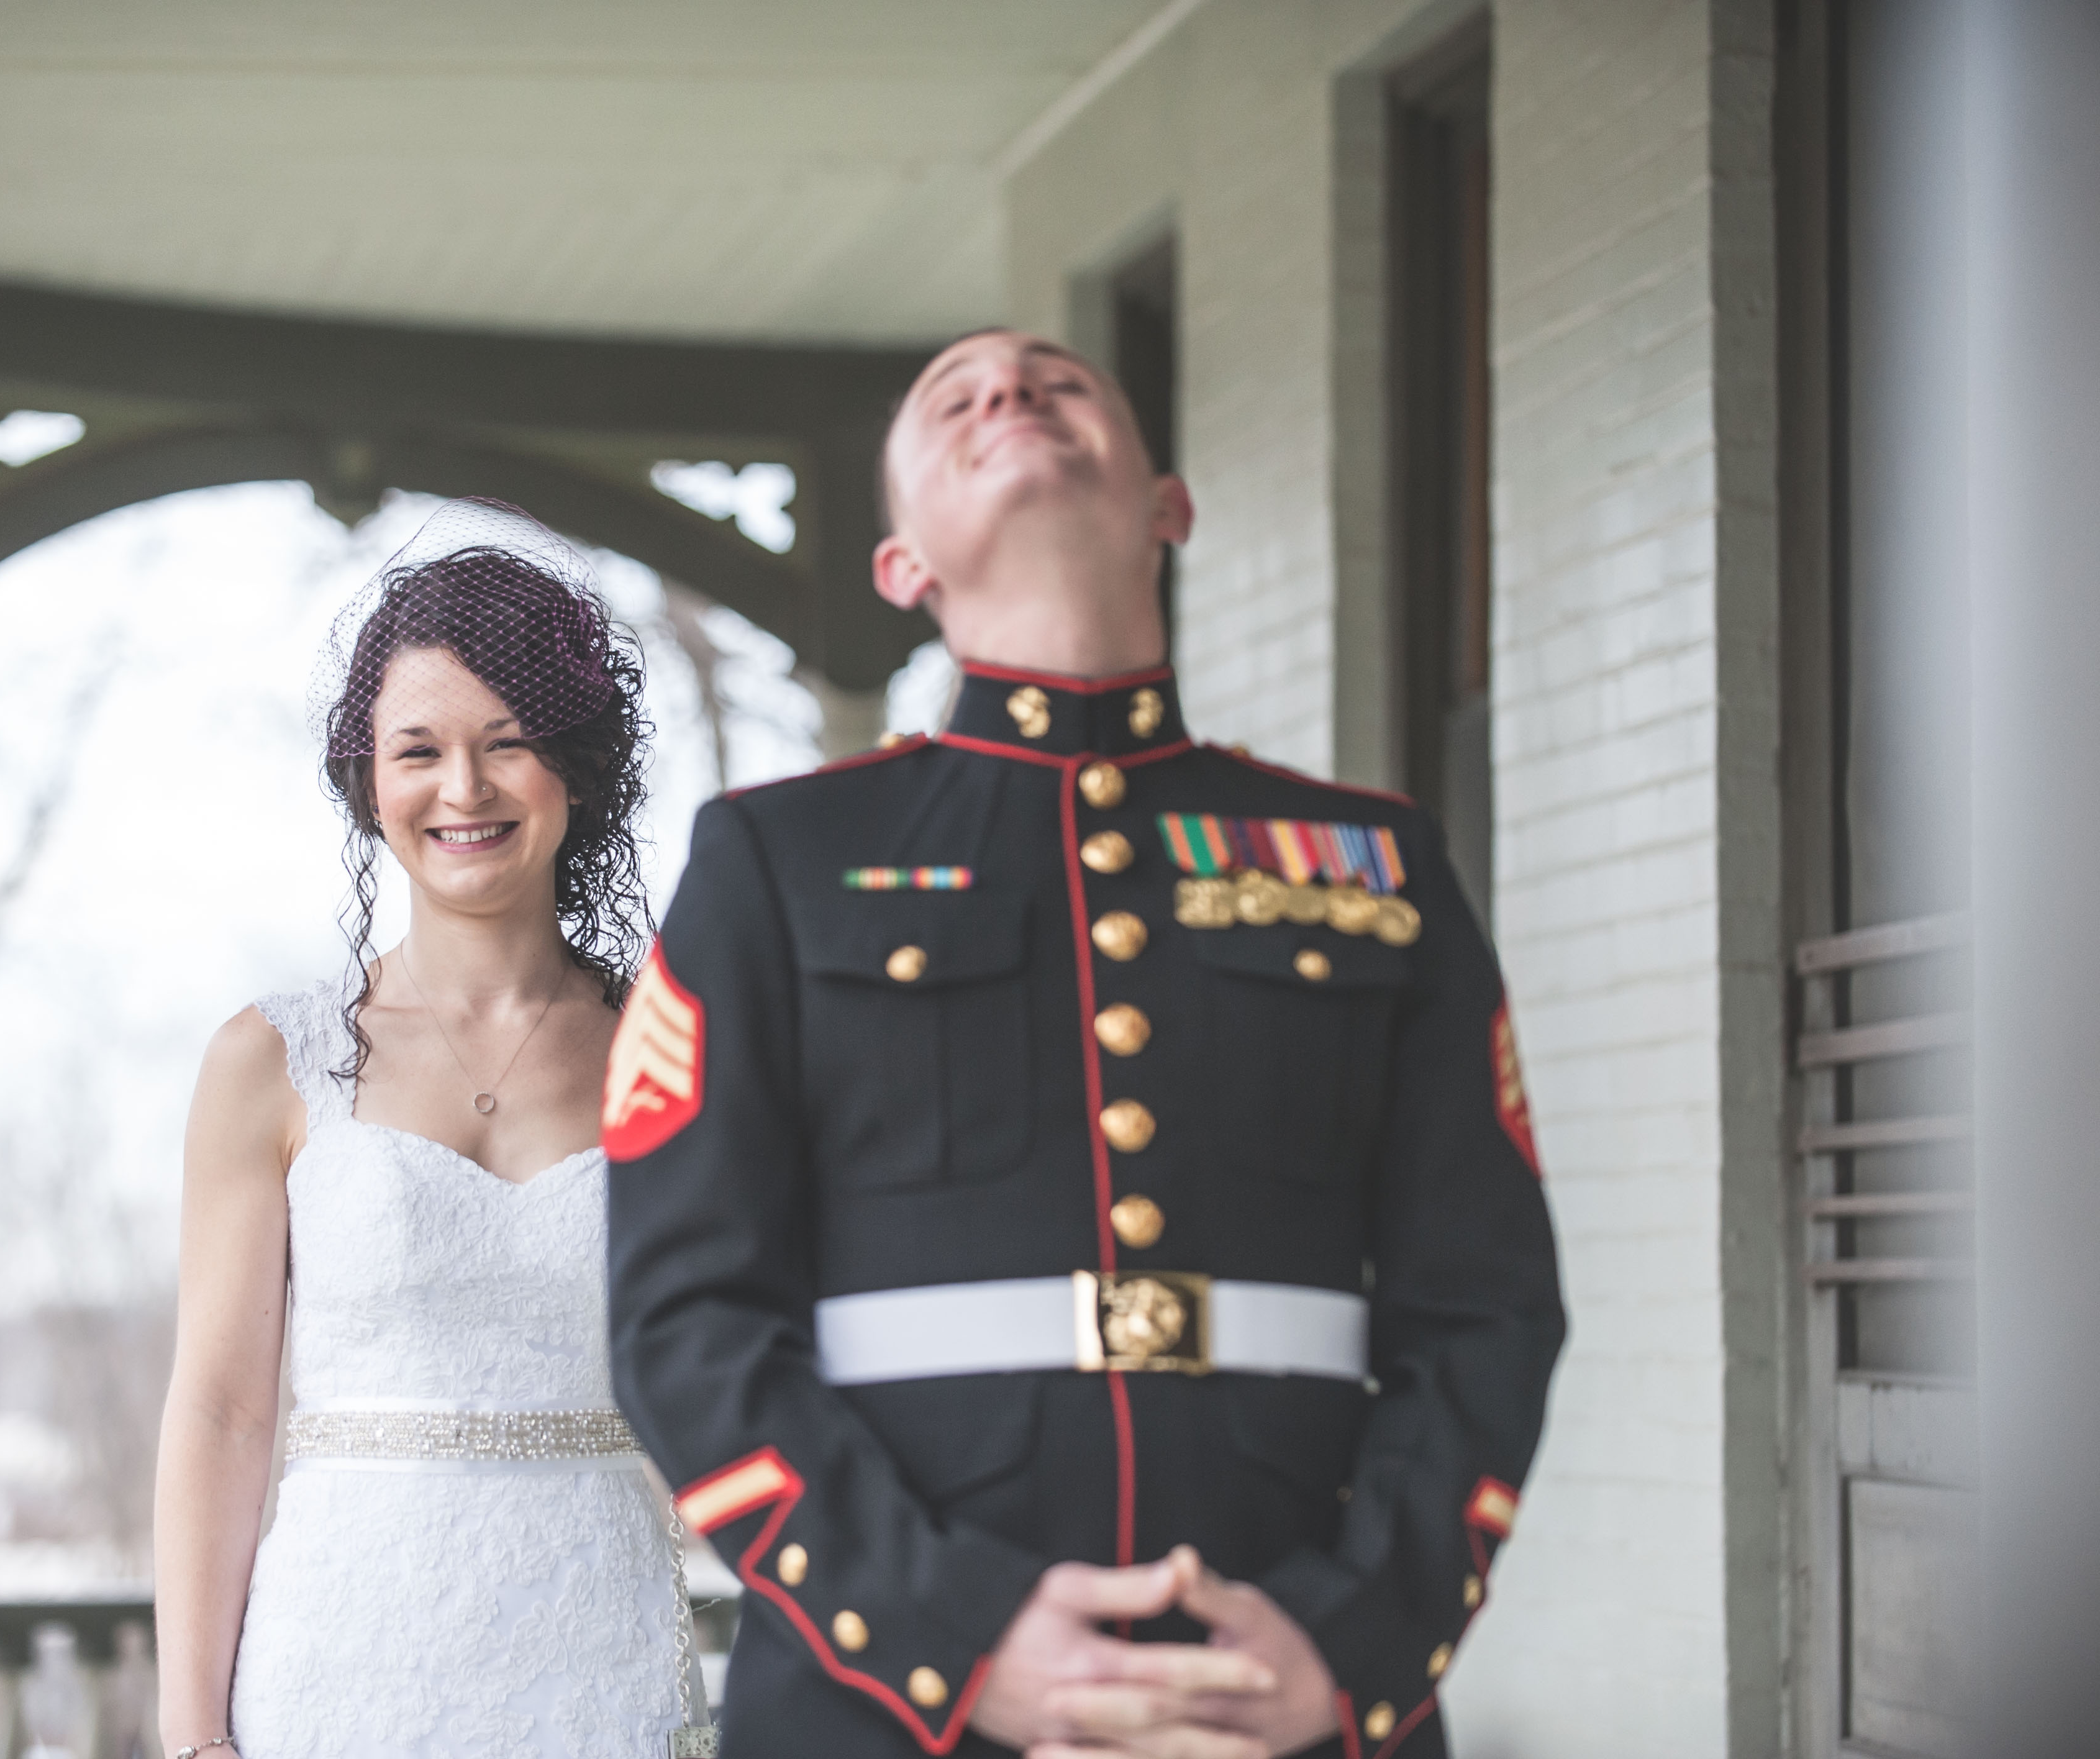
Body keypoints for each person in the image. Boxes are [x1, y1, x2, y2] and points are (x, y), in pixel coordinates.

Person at [604, 332, 1565, 1759]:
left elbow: (1484, 1305)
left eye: (1059, 383)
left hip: (1286, 1696)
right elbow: (686, 1321)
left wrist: (1348, 1644)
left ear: (1169, 505)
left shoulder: (1374, 863)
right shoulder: (779, 860)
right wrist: (955, 1638)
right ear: (902, 568)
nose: (1008, 392)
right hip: (892, 1701)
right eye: (957, 398)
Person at [154, 501, 701, 1759]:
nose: (463, 789)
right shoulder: (269, 1062)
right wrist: (191, 1737)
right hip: (336, 1672)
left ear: (579, 766)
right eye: (419, 750)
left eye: (509, 744)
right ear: (367, 780)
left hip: (602, 1666)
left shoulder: (677, 1053)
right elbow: (221, 1414)